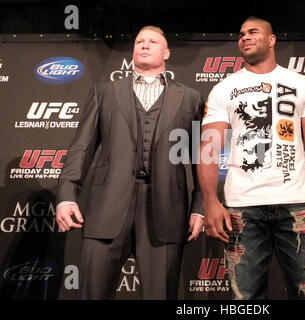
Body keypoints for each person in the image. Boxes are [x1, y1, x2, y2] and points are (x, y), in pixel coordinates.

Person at [55, 26, 204, 299]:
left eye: (153, 42)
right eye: (139, 41)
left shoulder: (191, 98)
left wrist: (200, 207)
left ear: (167, 53)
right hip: (106, 208)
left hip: (167, 210)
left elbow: (201, 160)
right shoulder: (104, 92)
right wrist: (66, 196)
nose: (144, 45)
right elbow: (80, 149)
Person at [198, 17, 305, 300]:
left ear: (271, 40)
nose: (244, 37)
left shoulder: (302, 84)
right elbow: (209, 149)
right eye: (241, 34)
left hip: (298, 205)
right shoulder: (224, 88)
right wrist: (210, 201)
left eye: (252, 32)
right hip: (242, 209)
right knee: (245, 300)